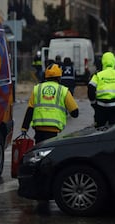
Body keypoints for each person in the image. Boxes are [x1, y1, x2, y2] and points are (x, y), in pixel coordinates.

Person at [21, 63, 79, 214]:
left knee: (38, 161)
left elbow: (30, 109)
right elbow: (75, 112)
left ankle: (38, 190)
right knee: (51, 163)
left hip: (38, 130)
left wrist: (24, 128)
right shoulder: (63, 90)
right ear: (59, 77)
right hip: (53, 133)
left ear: (45, 77)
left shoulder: (37, 89)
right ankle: (49, 189)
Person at [88, 51, 115, 128]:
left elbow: (91, 88)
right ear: (114, 61)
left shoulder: (98, 75)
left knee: (99, 130)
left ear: (103, 62)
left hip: (101, 107)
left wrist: (94, 103)